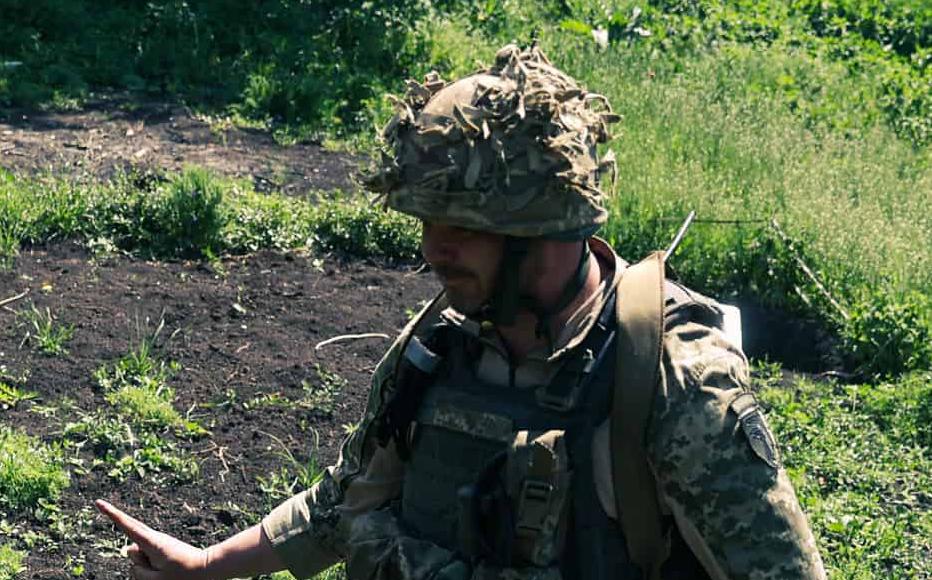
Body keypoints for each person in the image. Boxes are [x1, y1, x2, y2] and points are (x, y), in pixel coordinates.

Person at [96, 44, 827, 580]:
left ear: (539, 229)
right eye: (426, 221)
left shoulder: (670, 379)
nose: (432, 249)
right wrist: (205, 564)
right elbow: (350, 497)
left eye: (461, 227)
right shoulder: (442, 344)